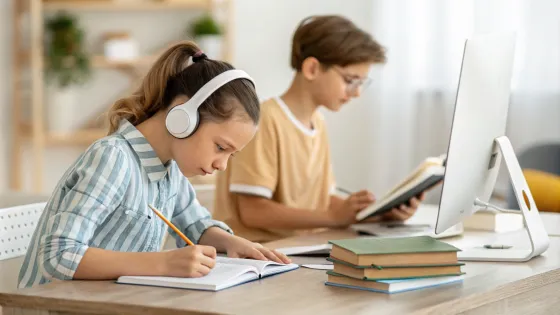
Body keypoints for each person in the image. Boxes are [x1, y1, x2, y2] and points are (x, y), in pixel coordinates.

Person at [18, 41, 290, 289]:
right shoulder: (113, 159)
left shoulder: (171, 168)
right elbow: (57, 255)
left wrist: (233, 243)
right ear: (183, 117)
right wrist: (163, 263)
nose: (222, 165)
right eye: (220, 147)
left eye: (232, 154)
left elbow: (196, 225)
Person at [214, 15, 425, 242]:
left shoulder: (318, 122)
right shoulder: (265, 120)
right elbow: (253, 213)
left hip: (296, 248)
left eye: (361, 83)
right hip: (254, 253)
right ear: (312, 68)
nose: (356, 93)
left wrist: (376, 214)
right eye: (350, 80)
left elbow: (322, 203)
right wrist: (334, 217)